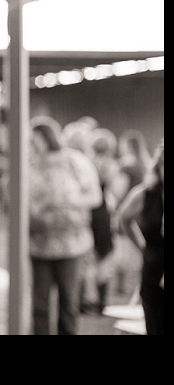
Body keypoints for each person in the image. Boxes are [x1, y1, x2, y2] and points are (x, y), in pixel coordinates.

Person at [28, 116, 102, 335]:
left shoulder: (74, 161)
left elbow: (95, 197)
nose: (33, 146)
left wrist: (64, 203)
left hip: (72, 244)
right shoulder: (31, 166)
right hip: (40, 244)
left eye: (35, 140)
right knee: (39, 304)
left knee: (69, 302)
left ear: (47, 137)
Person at [117, 140, 164, 335]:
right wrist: (142, 246)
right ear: (159, 166)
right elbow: (123, 219)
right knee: (155, 325)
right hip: (154, 268)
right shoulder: (145, 195)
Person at [80, 127, 128, 314]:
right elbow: (116, 192)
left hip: (88, 211)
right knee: (105, 253)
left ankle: (85, 300)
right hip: (103, 213)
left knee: (88, 255)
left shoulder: (86, 162)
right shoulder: (110, 165)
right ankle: (101, 302)